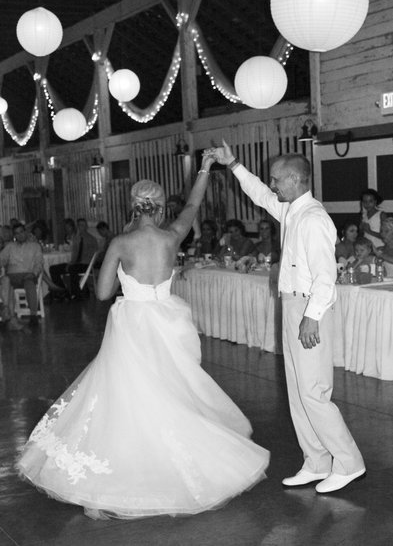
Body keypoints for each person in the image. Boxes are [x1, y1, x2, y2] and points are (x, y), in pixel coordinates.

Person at [16, 154, 269, 520]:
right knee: (172, 392)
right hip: (168, 321)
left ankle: (115, 475)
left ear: (133, 205)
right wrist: (204, 168)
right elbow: (194, 204)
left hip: (133, 323)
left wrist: (123, 276)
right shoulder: (172, 235)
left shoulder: (121, 241)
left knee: (126, 395)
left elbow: (102, 294)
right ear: (161, 205)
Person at [209, 141, 365, 494]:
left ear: (295, 179)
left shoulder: (313, 219)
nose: (274, 184)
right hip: (293, 305)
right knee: (297, 391)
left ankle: (349, 461)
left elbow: (326, 276)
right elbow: (262, 196)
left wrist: (310, 318)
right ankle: (316, 460)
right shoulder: (292, 210)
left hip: (311, 308)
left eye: (278, 179)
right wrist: (233, 164)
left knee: (313, 391)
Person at [0, 223, 44, 327]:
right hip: (12, 275)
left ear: (25, 232)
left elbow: (39, 262)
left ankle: (33, 316)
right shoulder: (10, 246)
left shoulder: (35, 246)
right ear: (14, 235)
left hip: (28, 274)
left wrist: (34, 273)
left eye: (21, 232)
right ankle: (7, 313)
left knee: (29, 283)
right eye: (17, 233)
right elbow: (1, 259)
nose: (20, 235)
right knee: (5, 280)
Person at [50, 218, 98, 299]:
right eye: (79, 225)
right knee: (53, 269)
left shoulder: (91, 239)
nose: (80, 227)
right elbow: (75, 254)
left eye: (82, 225)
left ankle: (76, 293)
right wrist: (71, 262)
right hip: (76, 263)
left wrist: (72, 263)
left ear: (86, 227)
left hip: (86, 264)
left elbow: (92, 255)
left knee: (72, 268)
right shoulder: (76, 238)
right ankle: (63, 291)